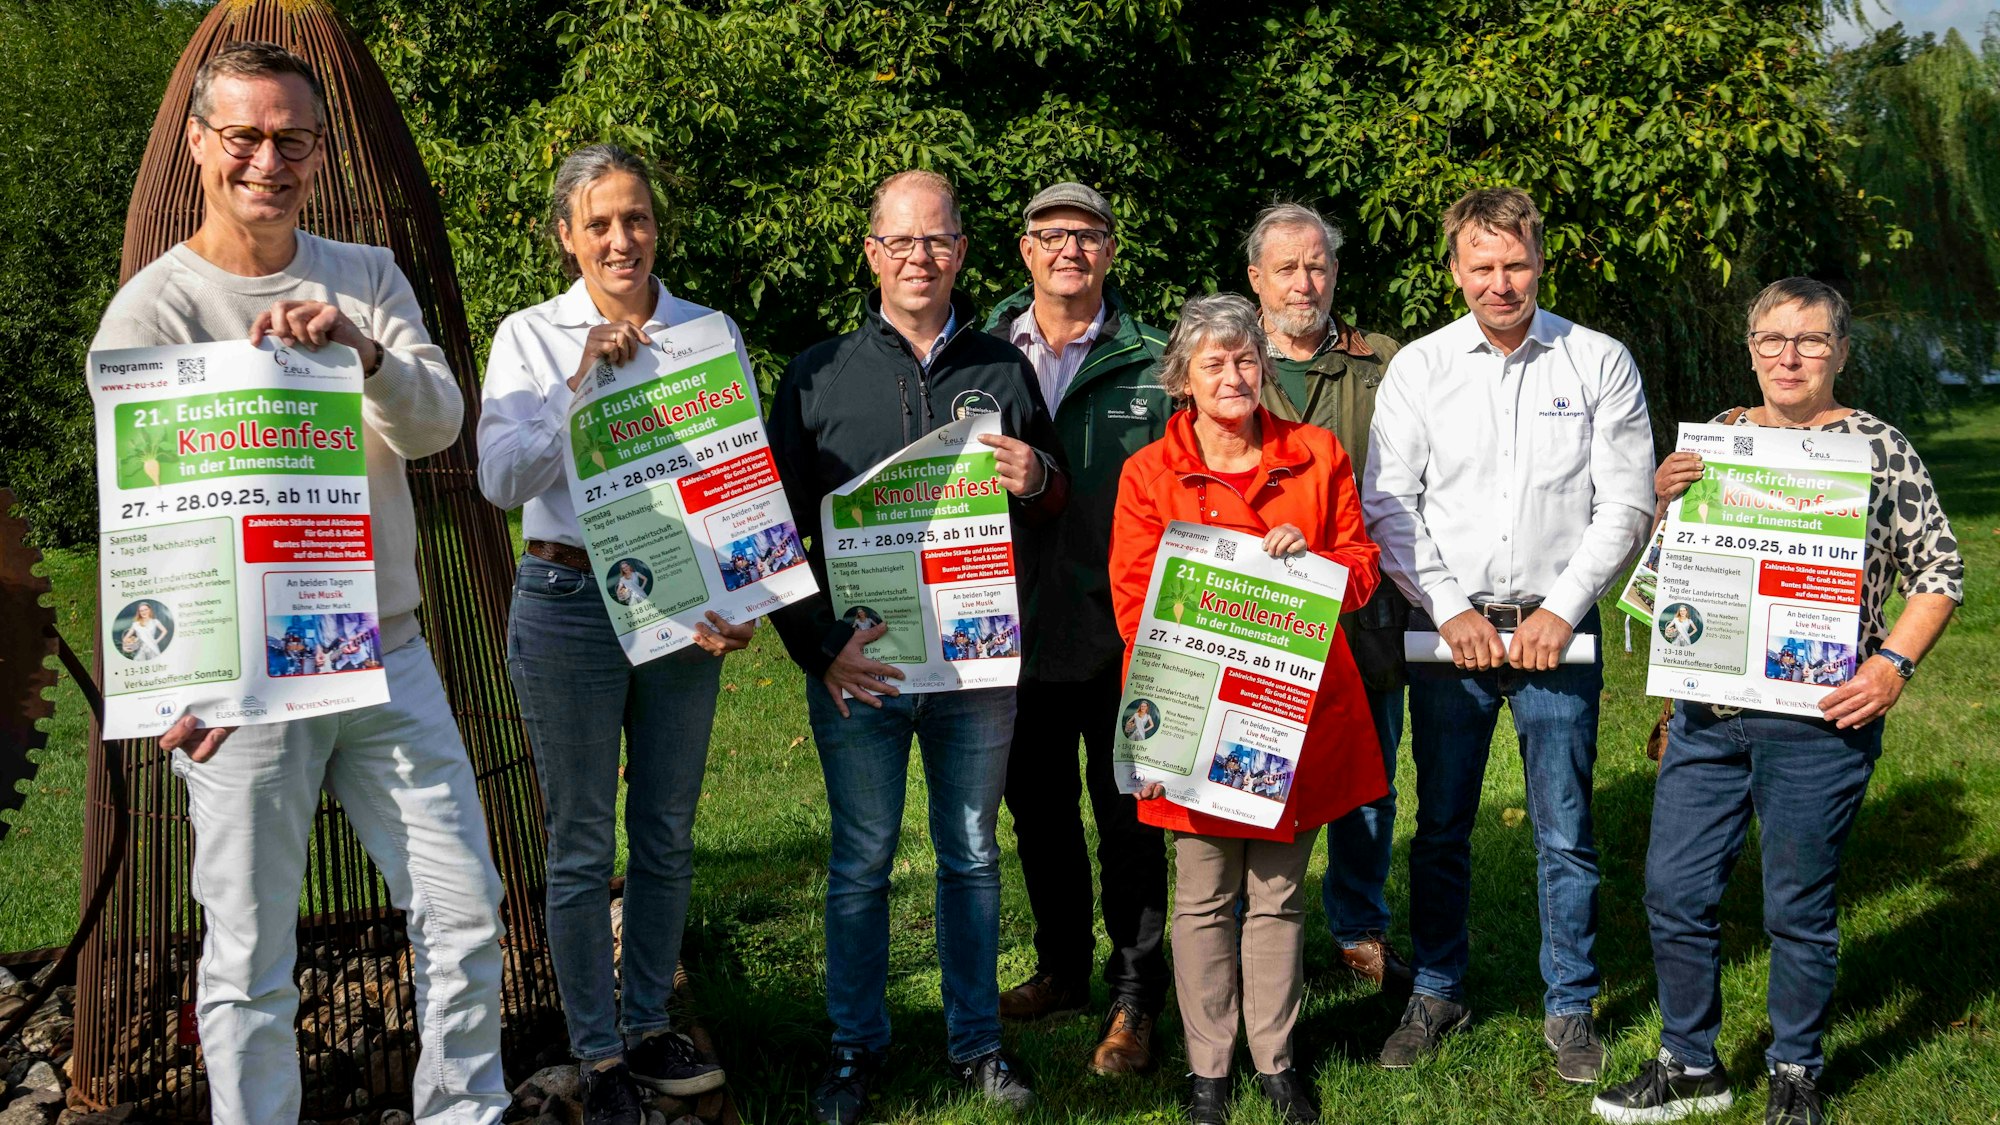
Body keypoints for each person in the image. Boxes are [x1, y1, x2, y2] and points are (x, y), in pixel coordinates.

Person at [95, 42, 508, 1125]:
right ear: (199, 145)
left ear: (320, 152)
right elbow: (141, 521)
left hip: (389, 652)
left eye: (292, 139)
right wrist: (167, 676)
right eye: (245, 136)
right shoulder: (156, 309)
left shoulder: (362, 276)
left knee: (466, 912)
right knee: (247, 948)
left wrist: (362, 353)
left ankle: (465, 1113)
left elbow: (436, 426)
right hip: (243, 689)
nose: (267, 160)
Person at [1593, 278, 1964, 1125]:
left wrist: (1893, 665)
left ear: (1840, 350)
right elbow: (1670, 574)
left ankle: (1795, 1066)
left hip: (1822, 720)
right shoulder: (1720, 437)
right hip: (1706, 715)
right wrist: (1666, 502)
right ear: (1750, 347)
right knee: (1674, 889)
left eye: (1810, 340)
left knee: (1797, 903)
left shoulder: (1879, 448)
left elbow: (1940, 569)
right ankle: (1689, 1060)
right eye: (1771, 339)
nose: (1788, 357)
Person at [767, 169, 1069, 1123]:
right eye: (900, 241)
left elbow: (1056, 498)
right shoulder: (818, 373)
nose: (918, 258)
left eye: (936, 240)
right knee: (861, 857)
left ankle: (976, 1043)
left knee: (972, 852)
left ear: (963, 253)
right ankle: (855, 1051)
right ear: (871, 252)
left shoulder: (1003, 368)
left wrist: (1037, 475)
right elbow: (767, 531)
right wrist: (819, 648)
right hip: (859, 665)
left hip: (975, 669)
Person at [477, 143, 758, 1125]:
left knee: (668, 830)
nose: (620, 238)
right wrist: (579, 385)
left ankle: (647, 1025)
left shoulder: (706, 331)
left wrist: (743, 597)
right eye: (597, 223)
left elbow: (734, 479)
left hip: (682, 602)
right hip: (566, 603)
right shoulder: (527, 337)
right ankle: (596, 1054)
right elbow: (502, 482)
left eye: (633, 217)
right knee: (581, 840)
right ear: (565, 236)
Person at [1363, 187, 1654, 1081]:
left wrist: (1560, 609)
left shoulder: (1597, 361)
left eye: (1515, 264)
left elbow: (1628, 500)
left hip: (1555, 630)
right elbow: (1389, 502)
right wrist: (1447, 606)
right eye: (1481, 267)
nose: (1500, 283)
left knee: (1565, 827)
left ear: (1540, 261)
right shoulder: (1420, 367)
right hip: (1448, 636)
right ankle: (1439, 988)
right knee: (1442, 822)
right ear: (1454, 270)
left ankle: (1570, 1004)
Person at [1110, 293, 1386, 1125]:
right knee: (1199, 893)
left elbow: (1364, 566)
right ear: (1181, 380)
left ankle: (1276, 1059)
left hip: (1289, 712)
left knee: (1277, 893)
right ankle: (1207, 1069)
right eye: (1213, 363)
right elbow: (1131, 603)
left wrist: (1319, 569)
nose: (1233, 376)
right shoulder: (1147, 474)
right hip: (1193, 712)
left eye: (1245, 360)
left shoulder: (1316, 452)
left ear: (1264, 366)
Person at [980, 181, 1176, 1073]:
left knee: (1130, 817)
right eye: (1051, 234)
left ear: (1110, 250)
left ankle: (1137, 994)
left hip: (1123, 631)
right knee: (1039, 812)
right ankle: (1059, 965)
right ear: (1025, 249)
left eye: (1088, 234)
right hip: (1008, 625)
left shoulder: (1155, 357)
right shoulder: (978, 350)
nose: (1069, 249)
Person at [1244, 201, 1414, 991]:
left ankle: (1357, 929)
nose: (1304, 281)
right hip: (1250, 608)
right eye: (1287, 267)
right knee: (1253, 765)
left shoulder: (1386, 364)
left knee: (1367, 779)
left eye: (1317, 265)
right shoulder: (1226, 358)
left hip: (1358, 604)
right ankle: (1255, 933)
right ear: (1256, 278)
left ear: (1336, 273)